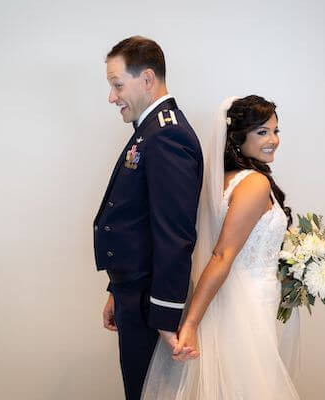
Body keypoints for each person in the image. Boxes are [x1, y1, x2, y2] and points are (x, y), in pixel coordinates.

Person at [142, 95, 301, 399]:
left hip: (235, 298)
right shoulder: (255, 183)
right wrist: (190, 324)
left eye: (276, 131)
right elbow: (222, 255)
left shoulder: (224, 181)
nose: (273, 140)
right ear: (238, 137)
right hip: (249, 302)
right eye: (262, 132)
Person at [93, 36, 203, 400]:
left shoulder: (167, 135)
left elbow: (174, 235)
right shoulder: (151, 129)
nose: (112, 97)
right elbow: (136, 222)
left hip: (150, 304)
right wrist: (116, 290)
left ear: (147, 79)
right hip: (134, 295)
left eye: (117, 85)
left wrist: (166, 317)